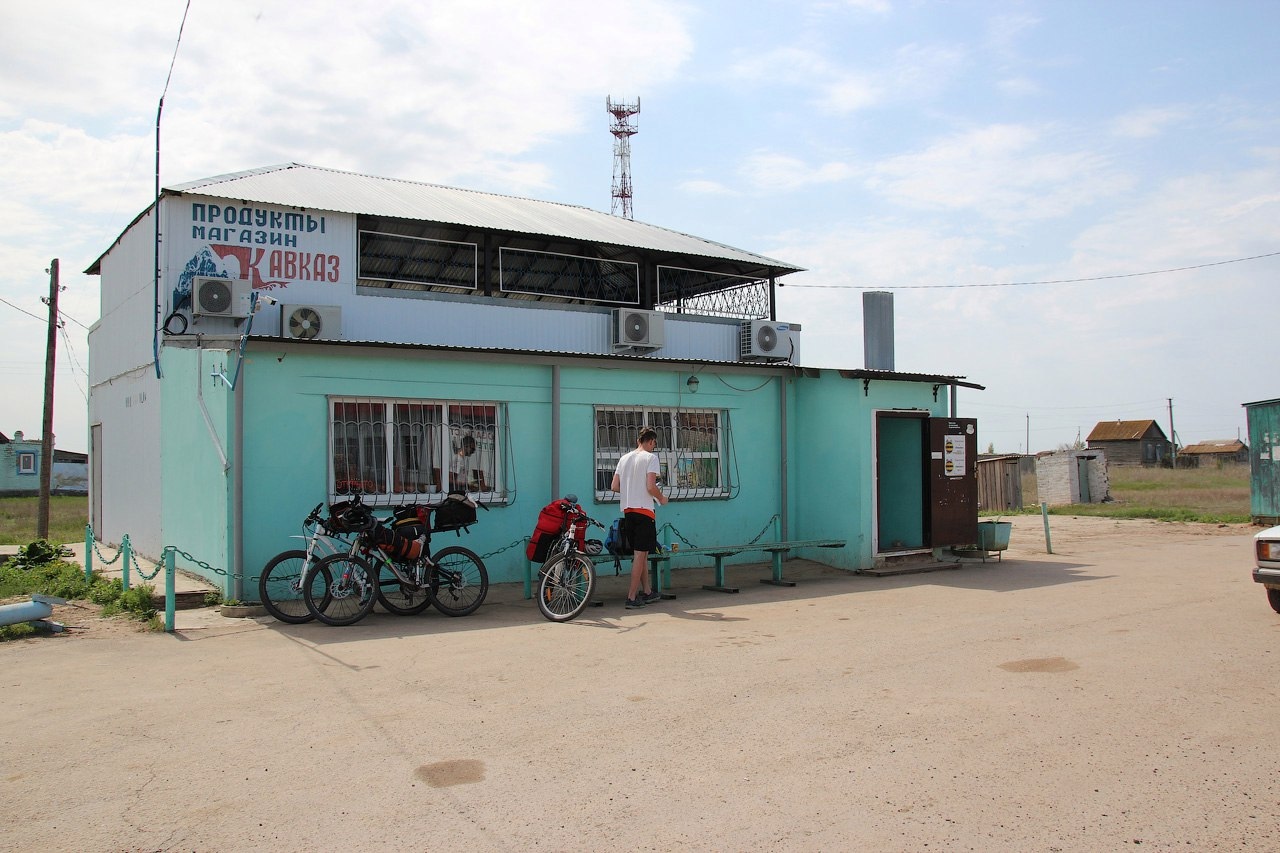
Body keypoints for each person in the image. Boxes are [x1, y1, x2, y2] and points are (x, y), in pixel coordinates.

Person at [611, 427, 668, 609]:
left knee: (641, 554)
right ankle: (631, 597)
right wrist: (661, 498)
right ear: (651, 441)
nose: (654, 447)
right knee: (639, 555)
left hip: (628, 512)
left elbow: (614, 486)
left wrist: (631, 491)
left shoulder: (624, 458)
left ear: (638, 440)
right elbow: (651, 486)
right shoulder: (651, 458)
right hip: (644, 512)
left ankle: (648, 592)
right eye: (654, 444)